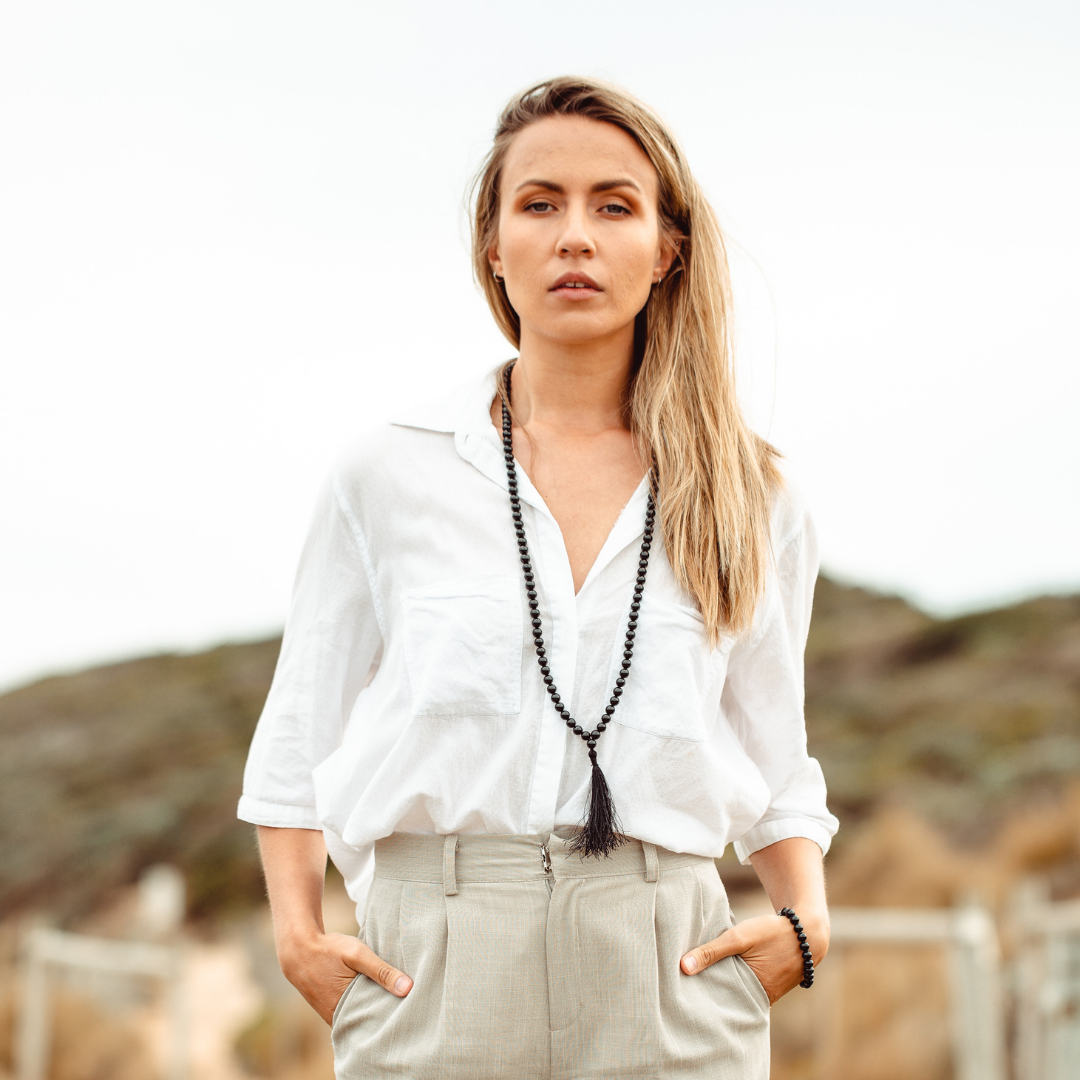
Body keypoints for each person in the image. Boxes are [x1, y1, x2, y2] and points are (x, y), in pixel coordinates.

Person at [238, 76, 838, 1080]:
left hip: (670, 970)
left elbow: (772, 749)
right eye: (539, 203)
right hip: (437, 969)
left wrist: (806, 922)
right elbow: (301, 726)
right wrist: (299, 937)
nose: (575, 237)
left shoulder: (754, 492)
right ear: (494, 246)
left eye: (614, 206)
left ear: (667, 247)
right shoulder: (388, 474)